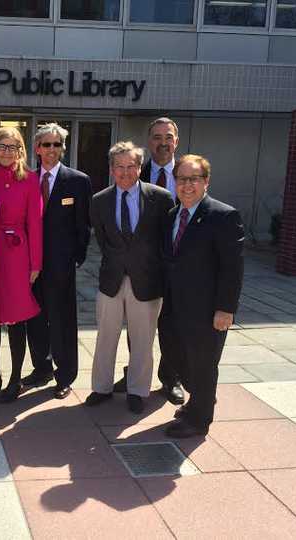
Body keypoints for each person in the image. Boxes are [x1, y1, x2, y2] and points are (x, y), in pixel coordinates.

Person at [85, 142, 174, 413]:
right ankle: (102, 387)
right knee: (105, 338)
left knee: (143, 339)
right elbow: (102, 240)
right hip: (111, 280)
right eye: (119, 167)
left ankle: (137, 390)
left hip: (147, 280)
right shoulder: (99, 201)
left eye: (131, 166)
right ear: (111, 169)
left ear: (139, 167)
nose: (125, 172)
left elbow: (165, 241)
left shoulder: (160, 198)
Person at [160, 154, 244, 438]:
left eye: (193, 179)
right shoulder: (172, 215)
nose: (186, 185)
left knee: (203, 365)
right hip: (174, 308)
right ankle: (200, 401)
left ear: (206, 182)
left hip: (207, 311)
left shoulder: (223, 216)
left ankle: (199, 420)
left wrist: (225, 309)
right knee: (177, 357)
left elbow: (232, 269)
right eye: (181, 179)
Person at [113, 117, 185, 404]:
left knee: (172, 323)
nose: (163, 142)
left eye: (168, 137)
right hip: (140, 268)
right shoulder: (135, 172)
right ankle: (135, 375)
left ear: (176, 141)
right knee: (136, 325)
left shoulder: (185, 173)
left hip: (177, 265)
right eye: (157, 137)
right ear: (149, 141)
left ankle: (171, 378)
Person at [23, 123, 91, 400]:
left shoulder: (77, 180)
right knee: (35, 320)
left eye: (57, 144)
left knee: (62, 321)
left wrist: (76, 259)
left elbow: (83, 226)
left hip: (61, 267)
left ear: (63, 148)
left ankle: (65, 375)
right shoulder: (26, 179)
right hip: (30, 267)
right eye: (46, 144)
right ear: (37, 148)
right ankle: (41, 369)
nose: (52, 150)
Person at [0, 127, 43, 402]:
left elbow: (35, 224)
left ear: (21, 151)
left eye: (12, 147)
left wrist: (35, 263)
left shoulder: (29, 179)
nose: (6, 152)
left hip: (17, 256)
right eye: (1, 146)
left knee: (16, 319)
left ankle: (15, 379)